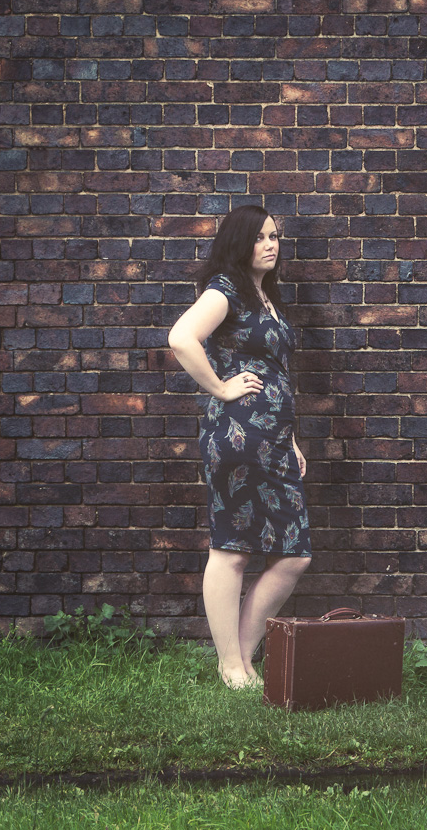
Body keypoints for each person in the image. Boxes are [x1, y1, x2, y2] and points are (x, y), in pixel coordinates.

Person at [168, 205, 311, 689]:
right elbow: (181, 338)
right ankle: (232, 666)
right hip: (237, 436)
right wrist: (221, 387)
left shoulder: (265, 297)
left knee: (293, 555)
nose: (271, 245)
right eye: (259, 237)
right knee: (231, 549)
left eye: (274, 236)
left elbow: (276, 373)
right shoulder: (225, 289)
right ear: (238, 243)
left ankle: (242, 659)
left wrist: (291, 439)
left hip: (273, 440)